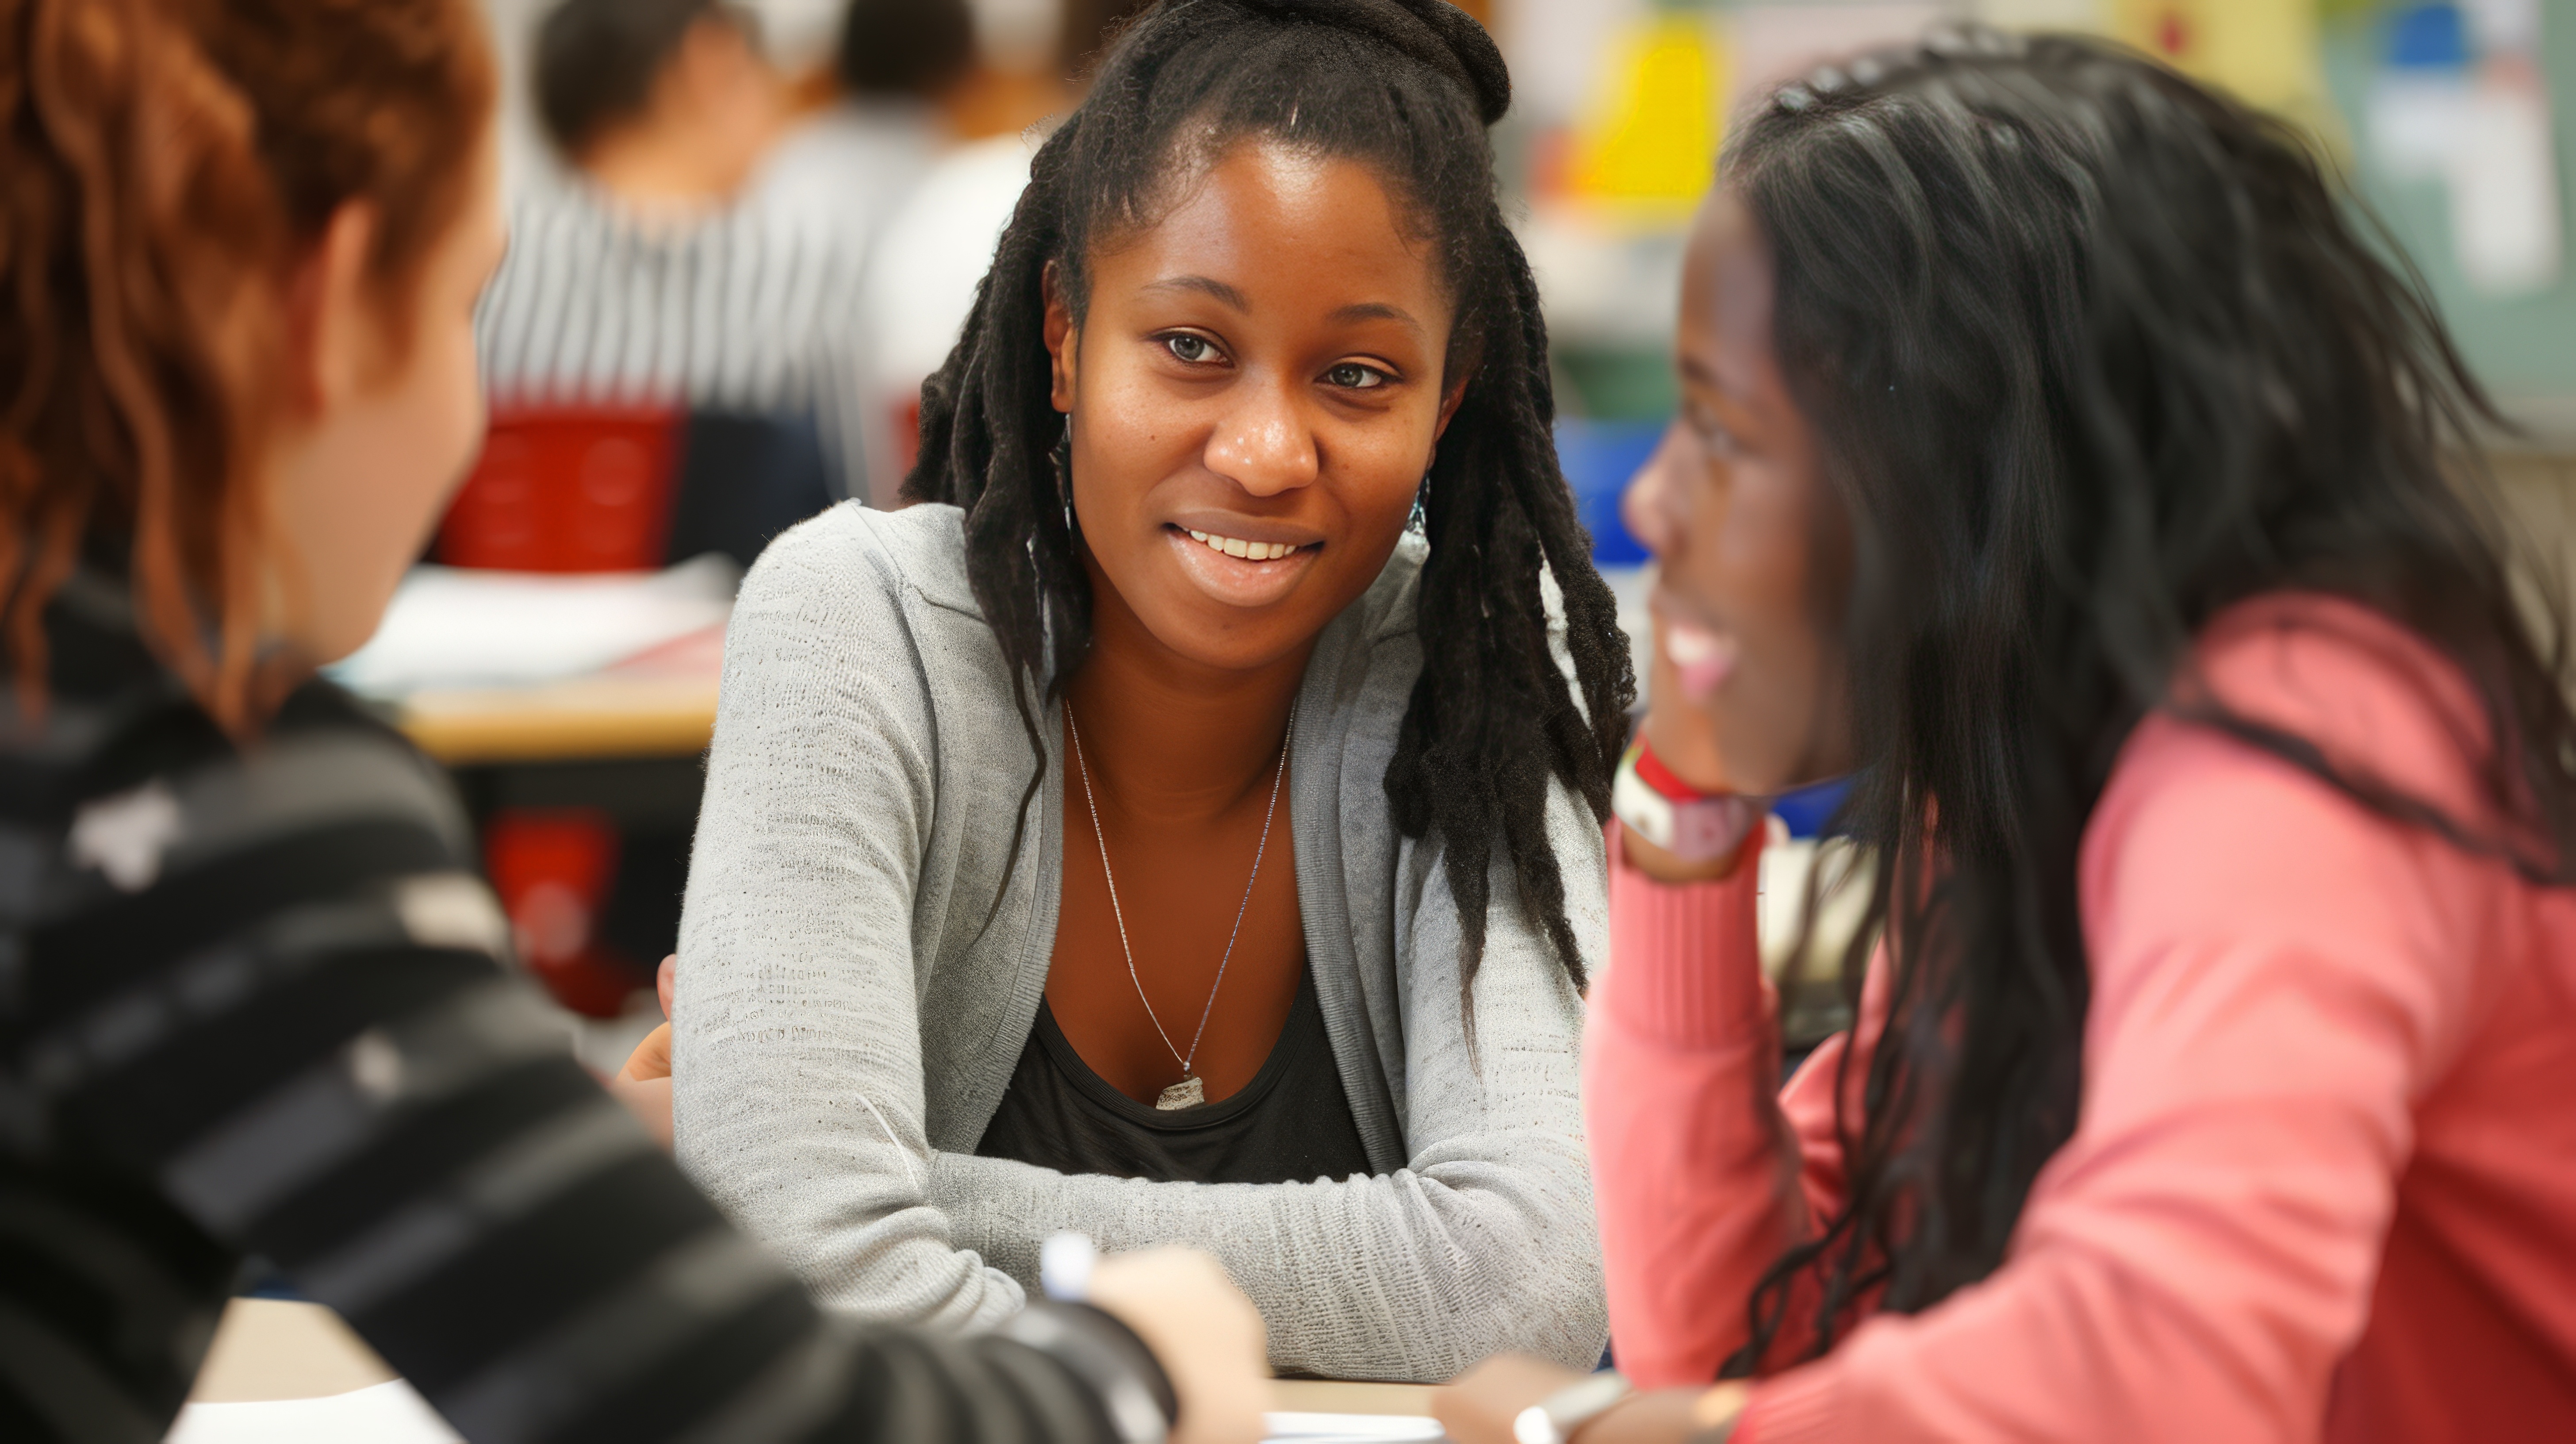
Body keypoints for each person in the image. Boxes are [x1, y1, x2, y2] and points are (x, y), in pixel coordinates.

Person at [0, 2, 1269, 1440]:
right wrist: (1128, 1361)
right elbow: (754, 1421)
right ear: (329, 304)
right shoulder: (187, 780)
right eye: (463, 304)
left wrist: (549, 1137)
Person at [1433, 27, 2576, 1444]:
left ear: (1948, 466)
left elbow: (2161, 1371)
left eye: (1725, 433)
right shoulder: (2015, 790)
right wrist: (1680, 811)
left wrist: (1611, 1433)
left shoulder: (2299, 746)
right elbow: (1746, 1342)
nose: (1660, 499)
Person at [635, 0, 1630, 1384]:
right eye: (1191, 348)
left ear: (1449, 398)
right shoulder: (856, 626)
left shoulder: (1481, 677)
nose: (1268, 449)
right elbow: (813, 1262)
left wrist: (882, 1187)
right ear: (1063, 333)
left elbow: (1528, 1284)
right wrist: (809, 1212)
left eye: (1358, 375)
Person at [473, 0, 874, 499]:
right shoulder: (806, 272)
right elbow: (864, 507)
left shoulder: (485, 266)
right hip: (753, 576)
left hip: (494, 579)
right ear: (707, 62)